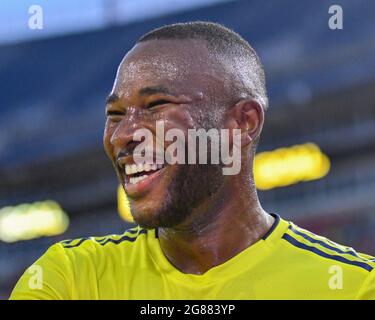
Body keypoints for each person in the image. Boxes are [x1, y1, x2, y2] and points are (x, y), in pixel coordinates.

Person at [10, 21, 375, 299]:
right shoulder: (70, 280)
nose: (123, 135)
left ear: (242, 122)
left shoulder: (355, 286)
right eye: (116, 114)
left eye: (155, 106)